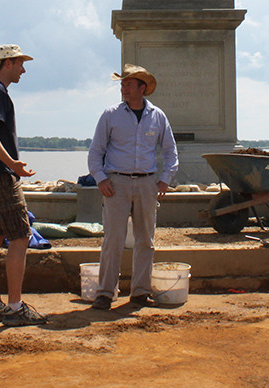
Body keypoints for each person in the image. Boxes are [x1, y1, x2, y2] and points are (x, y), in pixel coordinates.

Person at [87, 64, 179, 310]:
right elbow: (96, 151)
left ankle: (140, 292)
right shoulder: (110, 115)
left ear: (142, 88)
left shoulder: (158, 116)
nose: (123, 88)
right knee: (113, 239)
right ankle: (105, 293)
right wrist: (100, 178)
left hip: (148, 184)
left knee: (145, 240)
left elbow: (170, 152)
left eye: (128, 84)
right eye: (122, 84)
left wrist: (164, 179)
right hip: (116, 184)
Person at [0, 44, 47, 326]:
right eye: (20, 64)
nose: (24, 70)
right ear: (8, 63)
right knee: (19, 236)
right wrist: (12, 164)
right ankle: (15, 307)